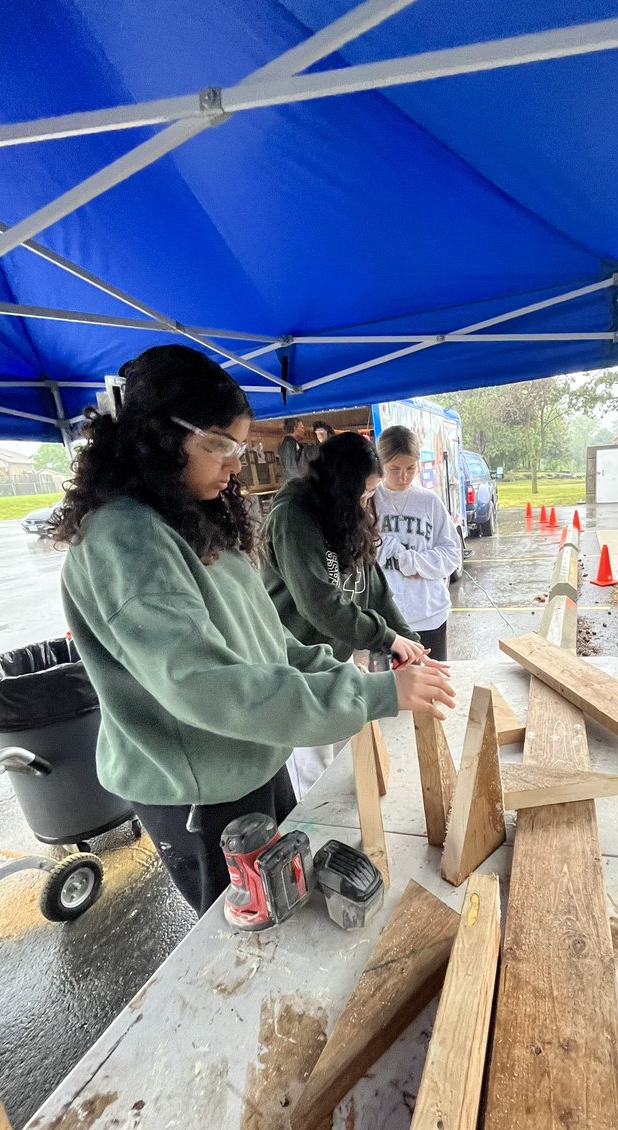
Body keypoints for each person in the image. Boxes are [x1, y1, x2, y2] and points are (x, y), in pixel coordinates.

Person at [51, 345, 453, 916]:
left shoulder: (191, 517)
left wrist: (355, 672)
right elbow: (208, 685)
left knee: (289, 903)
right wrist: (373, 693)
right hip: (201, 790)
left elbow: (273, 641)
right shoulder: (127, 542)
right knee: (247, 939)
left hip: (252, 759)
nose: (237, 464)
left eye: (239, 447)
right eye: (220, 445)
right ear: (157, 437)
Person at [261, 432, 429, 796]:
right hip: (299, 668)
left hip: (336, 662)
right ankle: (319, 843)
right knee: (316, 774)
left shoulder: (349, 514)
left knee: (349, 758)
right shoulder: (293, 518)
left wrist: (409, 644)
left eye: (371, 493)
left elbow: (376, 591)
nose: (367, 502)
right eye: (364, 493)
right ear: (341, 486)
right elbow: (318, 603)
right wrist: (385, 638)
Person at [375, 425, 462, 661]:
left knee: (433, 687)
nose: (403, 476)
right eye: (394, 469)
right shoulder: (370, 500)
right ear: (380, 464)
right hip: (384, 621)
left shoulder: (429, 501)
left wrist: (416, 562)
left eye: (410, 468)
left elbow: (452, 553)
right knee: (390, 692)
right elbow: (354, 550)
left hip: (428, 614)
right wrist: (385, 548)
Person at [278, 417, 306, 481]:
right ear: (295, 428)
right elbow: (291, 467)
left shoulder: (289, 443)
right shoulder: (289, 443)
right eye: (302, 428)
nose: (304, 430)